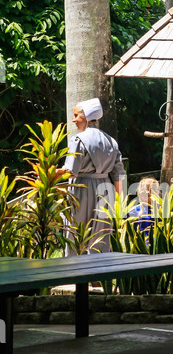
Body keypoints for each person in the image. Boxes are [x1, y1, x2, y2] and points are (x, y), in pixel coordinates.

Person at [61, 97, 126, 255]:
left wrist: (51, 173)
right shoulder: (111, 141)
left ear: (86, 117)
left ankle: (74, 273)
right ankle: (99, 276)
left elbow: (70, 171)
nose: (73, 119)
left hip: (81, 189)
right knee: (101, 234)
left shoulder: (78, 140)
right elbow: (119, 175)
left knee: (76, 232)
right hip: (105, 190)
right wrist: (120, 203)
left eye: (76, 115)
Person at [129, 177, 159, 244]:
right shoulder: (134, 212)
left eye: (147, 195)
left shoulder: (161, 211)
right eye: (141, 194)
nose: (143, 197)